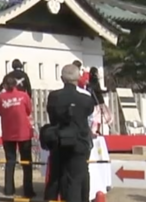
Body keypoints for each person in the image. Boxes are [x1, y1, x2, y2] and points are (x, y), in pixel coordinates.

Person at [43, 64, 94, 202]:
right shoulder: (86, 99)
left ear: (61, 78)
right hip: (78, 143)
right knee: (76, 181)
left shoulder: (53, 97)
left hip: (58, 141)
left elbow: (51, 114)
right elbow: (89, 113)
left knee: (54, 179)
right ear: (78, 78)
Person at [0, 73, 35, 198]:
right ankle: (28, 190)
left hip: (8, 133)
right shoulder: (24, 96)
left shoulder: (1, 98)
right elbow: (29, 110)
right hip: (24, 132)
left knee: (10, 161)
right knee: (26, 162)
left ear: (5, 85)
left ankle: (9, 189)